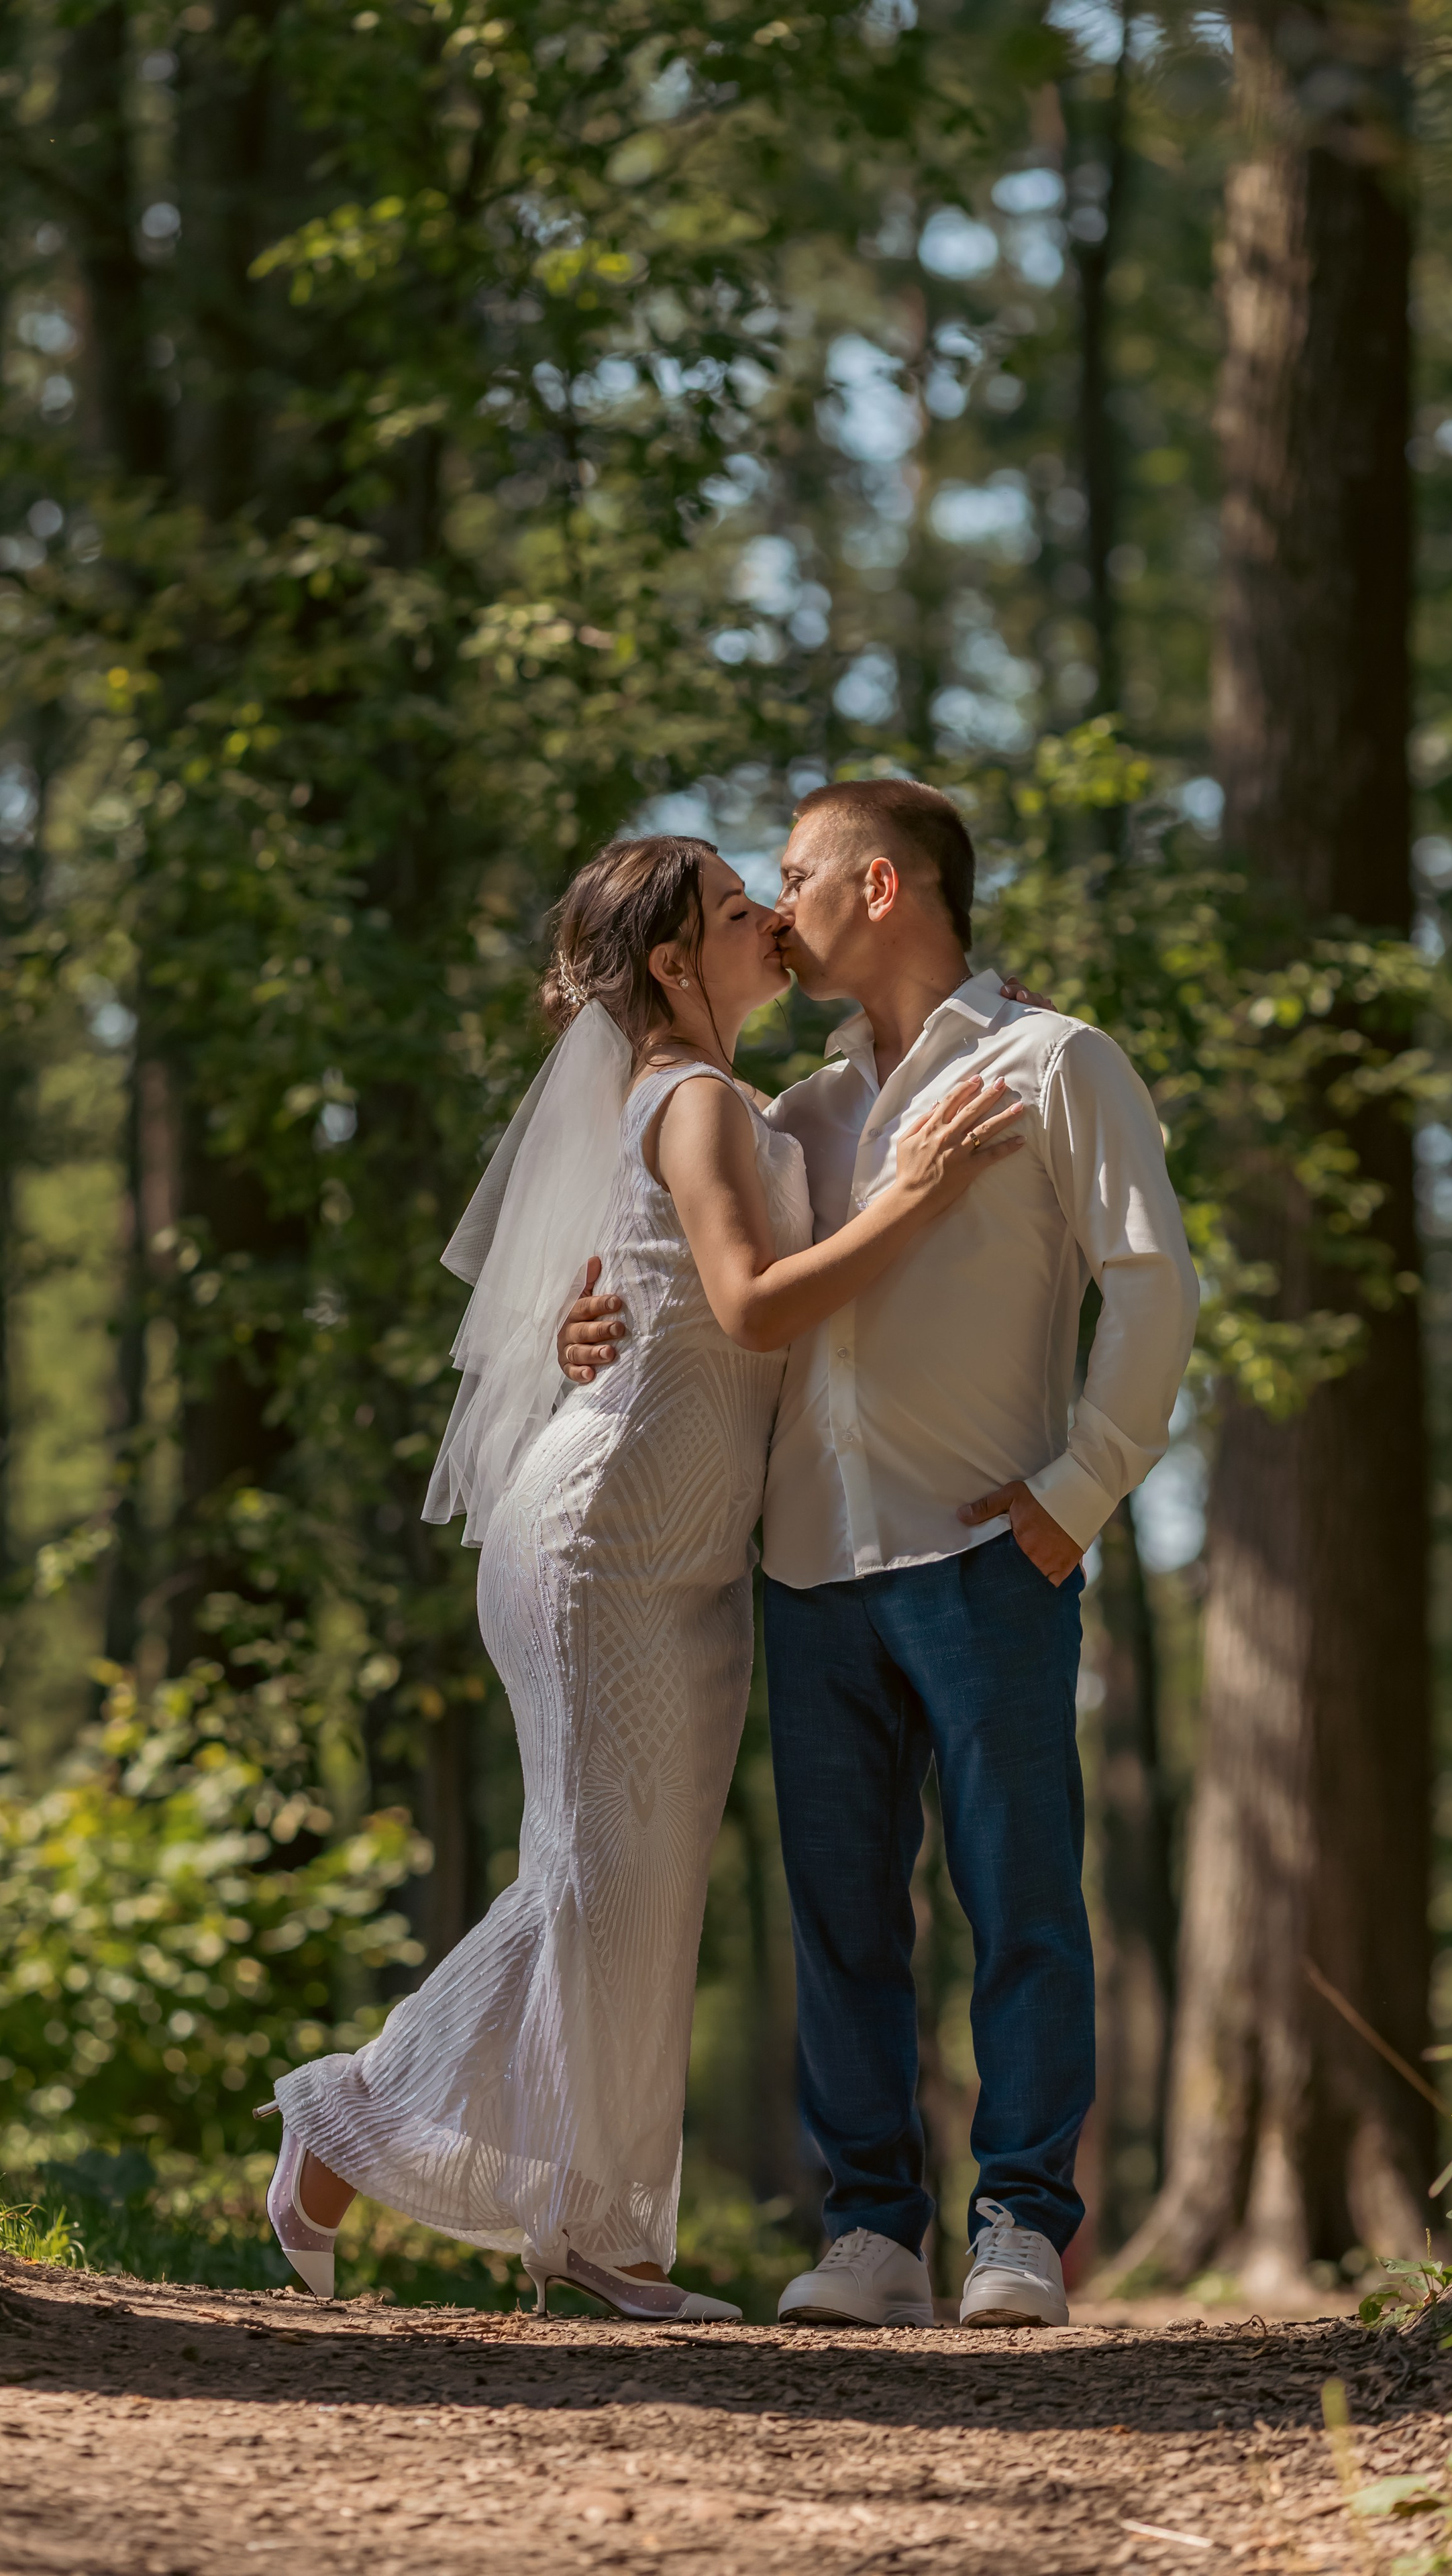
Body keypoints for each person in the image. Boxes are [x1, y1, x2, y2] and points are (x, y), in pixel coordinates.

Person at [258, 831, 1025, 2318]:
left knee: (640, 1895)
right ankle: (344, 2124)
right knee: (593, 1878)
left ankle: (598, 2231)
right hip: (603, 1543)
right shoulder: (689, 1102)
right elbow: (745, 1307)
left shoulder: (717, 1102)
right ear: (675, 963)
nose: (768, 930)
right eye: (740, 914)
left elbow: (638, 1297)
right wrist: (915, 1193)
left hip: (681, 1559)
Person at [558, 777, 1199, 2329]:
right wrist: (584, 1332)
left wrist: (1080, 1490)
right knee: (843, 1921)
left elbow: (1153, 1285)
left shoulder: (1056, 1064)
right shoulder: (800, 1112)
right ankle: (871, 2238)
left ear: (883, 887)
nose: (775, 910)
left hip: (992, 1553)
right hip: (807, 1571)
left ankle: (1020, 2231)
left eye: (794, 875)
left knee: (1020, 1902)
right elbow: (712, 1287)